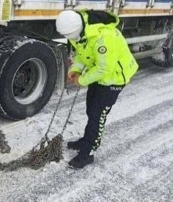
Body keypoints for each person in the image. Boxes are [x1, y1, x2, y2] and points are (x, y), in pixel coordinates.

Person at [55, 9, 139, 168]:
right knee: (91, 109)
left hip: (114, 77)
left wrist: (82, 80)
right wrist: (76, 70)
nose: (69, 39)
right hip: (98, 76)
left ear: (76, 29)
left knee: (98, 115)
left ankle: (88, 152)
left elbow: (104, 68)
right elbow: (81, 55)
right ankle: (87, 140)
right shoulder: (81, 33)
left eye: (69, 36)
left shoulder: (104, 37)